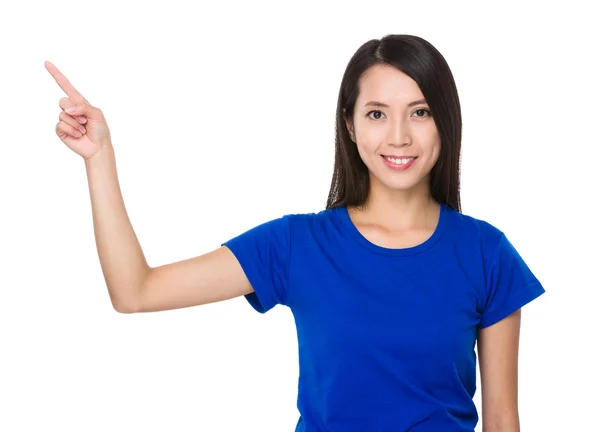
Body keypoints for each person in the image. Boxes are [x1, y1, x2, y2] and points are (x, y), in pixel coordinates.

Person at [46, 34, 545, 432]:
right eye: (377, 114)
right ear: (349, 125)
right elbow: (136, 291)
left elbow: (502, 422)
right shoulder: (295, 246)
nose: (399, 136)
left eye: (420, 112)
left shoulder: (485, 253)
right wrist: (99, 158)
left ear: (445, 122)